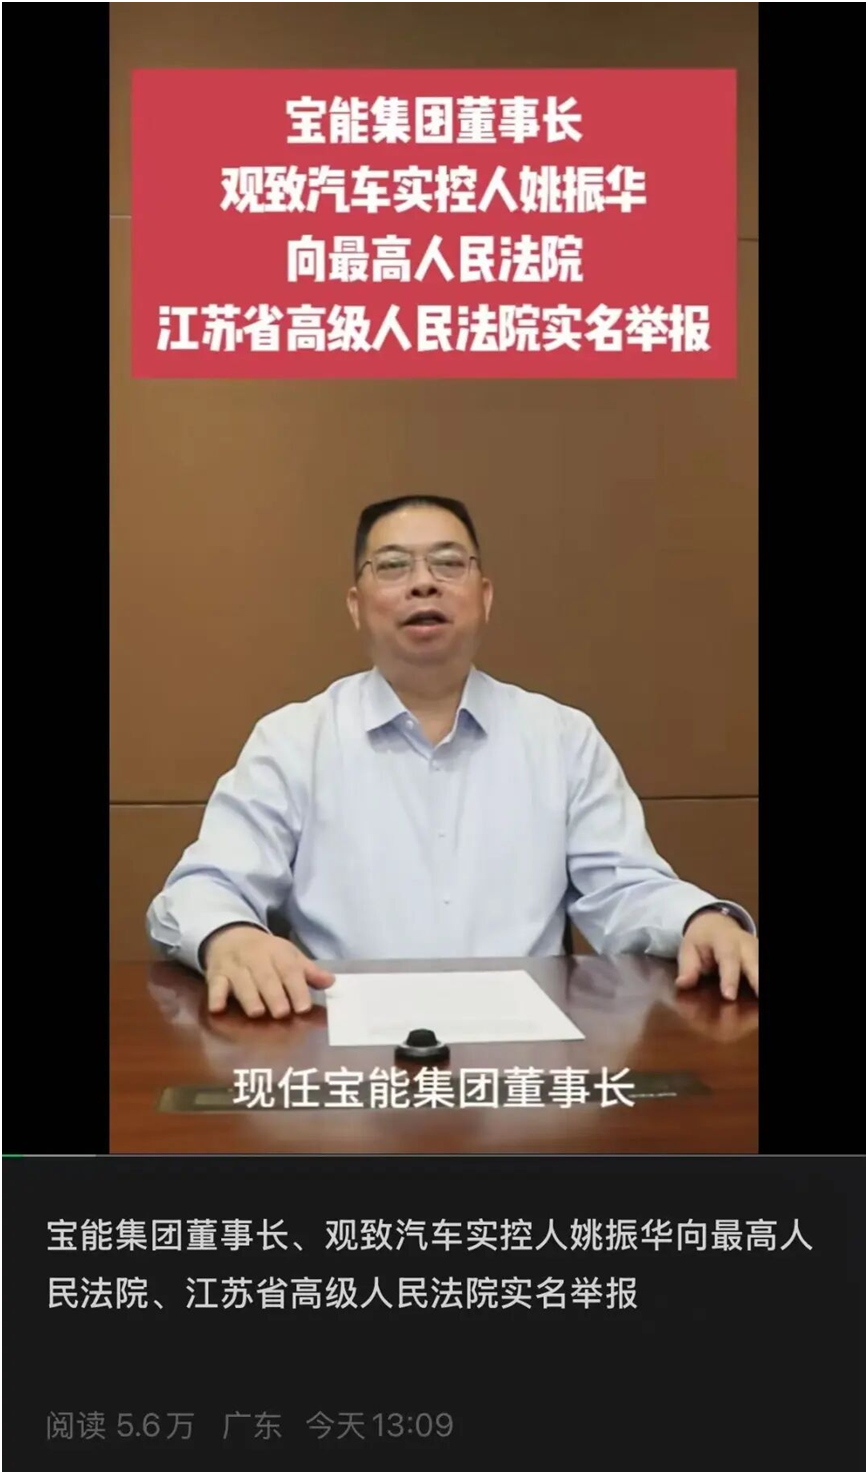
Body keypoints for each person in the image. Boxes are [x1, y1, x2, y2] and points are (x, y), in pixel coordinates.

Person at [146, 495, 759, 1019]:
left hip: (526, 1057)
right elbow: (202, 888)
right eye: (393, 565)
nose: (423, 583)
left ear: (484, 597)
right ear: (356, 604)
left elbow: (626, 888)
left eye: (447, 563)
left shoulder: (561, 737)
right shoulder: (293, 740)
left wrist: (698, 920)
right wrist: (230, 935)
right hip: (341, 1052)